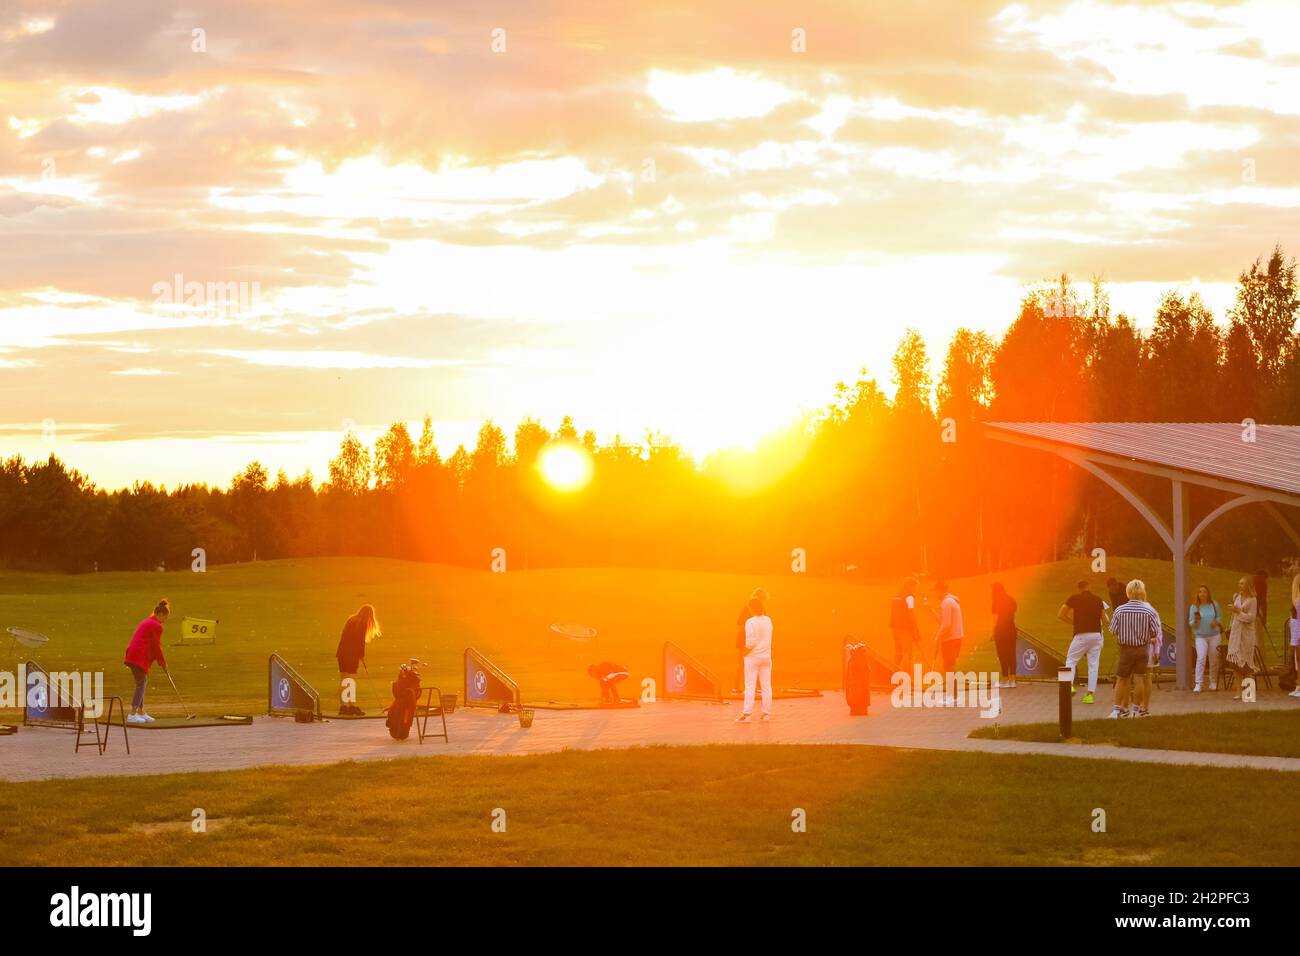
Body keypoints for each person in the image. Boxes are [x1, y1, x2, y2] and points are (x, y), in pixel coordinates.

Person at [1107, 579, 1161, 718]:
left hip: (1126, 649)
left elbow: (1113, 630)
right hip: (1143, 648)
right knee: (1139, 679)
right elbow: (1155, 631)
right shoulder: (1148, 610)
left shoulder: (1120, 609)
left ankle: (1118, 710)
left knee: (1122, 679)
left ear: (1128, 592)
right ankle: (1136, 710)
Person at [1058, 580, 1107, 704]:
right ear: (1089, 587)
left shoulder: (1074, 598)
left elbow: (1060, 614)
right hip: (1096, 635)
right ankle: (1089, 696)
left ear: (1079, 588)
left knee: (1071, 660)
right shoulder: (1098, 599)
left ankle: (1068, 686)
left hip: (1081, 635)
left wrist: (1073, 623)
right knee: (1093, 665)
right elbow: (1105, 619)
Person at [123, 599, 170, 724]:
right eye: (165, 617)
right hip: (137, 656)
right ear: (159, 614)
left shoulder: (148, 622)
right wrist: (163, 663)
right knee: (141, 682)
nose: (165, 620)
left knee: (142, 681)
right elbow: (156, 646)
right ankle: (132, 714)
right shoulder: (156, 625)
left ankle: (141, 711)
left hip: (133, 655)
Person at [336, 604, 381, 716]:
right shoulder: (362, 623)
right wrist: (361, 656)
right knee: (350, 680)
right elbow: (360, 642)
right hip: (351, 655)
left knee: (344, 679)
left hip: (342, 654)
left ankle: (344, 706)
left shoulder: (351, 620)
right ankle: (349, 706)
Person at [736, 594, 773, 722]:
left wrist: (744, 653)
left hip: (753, 658)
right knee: (766, 686)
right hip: (766, 657)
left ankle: (747, 714)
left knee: (750, 686)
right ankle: (766, 714)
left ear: (752, 608)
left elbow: (750, 642)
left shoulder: (750, 622)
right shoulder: (768, 620)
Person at [926, 580, 964, 704]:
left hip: (950, 639)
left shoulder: (946, 603)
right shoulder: (950, 601)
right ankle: (952, 695)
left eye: (937, 591)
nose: (936, 594)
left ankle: (952, 696)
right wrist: (930, 609)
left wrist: (937, 636)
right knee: (949, 666)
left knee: (949, 667)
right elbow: (942, 621)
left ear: (941, 590)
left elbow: (946, 625)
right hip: (956, 638)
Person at [1187, 584, 1223, 693]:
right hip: (1200, 636)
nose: (1202, 594)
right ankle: (1198, 683)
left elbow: (1219, 617)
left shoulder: (1214, 604)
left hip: (1214, 635)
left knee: (1214, 659)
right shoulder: (1194, 606)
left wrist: (1215, 622)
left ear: (1208, 594)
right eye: (1200, 592)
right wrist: (1196, 621)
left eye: (1204, 592)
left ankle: (1213, 682)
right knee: (1201, 658)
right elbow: (1190, 622)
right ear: (1197, 594)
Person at [1227, 577, 1258, 700]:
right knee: (1235, 664)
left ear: (1248, 585)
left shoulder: (1253, 600)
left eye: (1242, 583)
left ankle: (1249, 692)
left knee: (1247, 664)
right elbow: (1233, 616)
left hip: (1246, 635)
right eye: (1239, 583)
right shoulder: (1237, 598)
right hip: (1236, 633)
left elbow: (1251, 618)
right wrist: (1229, 626)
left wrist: (1238, 611)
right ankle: (1238, 691)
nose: (1240, 585)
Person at [734, 587, 768, 693]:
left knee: (756, 662)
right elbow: (740, 624)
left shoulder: (762, 610)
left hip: (754, 639)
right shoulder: (747, 609)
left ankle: (756, 687)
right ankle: (736, 687)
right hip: (745, 638)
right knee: (743, 662)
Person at [890, 578, 925, 671]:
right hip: (905, 629)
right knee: (907, 654)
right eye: (914, 586)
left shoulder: (896, 596)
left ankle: (893, 674)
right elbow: (911, 613)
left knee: (898, 654)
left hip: (895, 628)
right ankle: (906, 677)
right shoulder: (909, 597)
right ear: (908, 586)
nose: (915, 589)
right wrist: (916, 630)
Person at [990, 583, 1018, 689]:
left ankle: (1005, 680)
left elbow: (995, 619)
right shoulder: (1011, 600)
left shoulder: (996, 601)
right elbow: (1013, 613)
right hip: (1011, 631)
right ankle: (1013, 680)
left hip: (1000, 632)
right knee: (1012, 655)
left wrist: (992, 632)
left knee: (1003, 655)